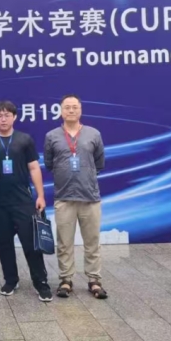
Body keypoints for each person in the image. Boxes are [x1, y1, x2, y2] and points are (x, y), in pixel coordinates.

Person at [0, 101, 52, 302]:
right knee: (4, 244)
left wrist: (41, 195)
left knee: (31, 244)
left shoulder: (24, 139)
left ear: (14, 117)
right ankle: (11, 280)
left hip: (22, 201)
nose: (3, 119)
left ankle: (41, 282)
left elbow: (34, 168)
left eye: (7, 115)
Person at [44, 94, 107, 299]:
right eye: (67, 107)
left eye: (75, 107)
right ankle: (65, 279)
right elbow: (49, 163)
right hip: (64, 197)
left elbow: (99, 162)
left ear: (80, 110)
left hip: (90, 197)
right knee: (64, 242)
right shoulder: (52, 136)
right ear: (60, 111)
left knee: (92, 241)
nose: (71, 110)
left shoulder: (93, 133)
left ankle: (94, 280)